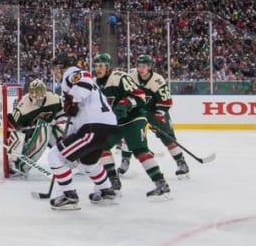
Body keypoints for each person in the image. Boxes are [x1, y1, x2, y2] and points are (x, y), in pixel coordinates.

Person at [92, 53, 171, 199]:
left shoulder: (119, 77)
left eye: (101, 65)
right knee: (101, 147)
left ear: (109, 67)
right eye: (96, 65)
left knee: (140, 151)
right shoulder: (94, 83)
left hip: (134, 118)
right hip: (115, 122)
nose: (98, 68)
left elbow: (139, 95)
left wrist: (125, 104)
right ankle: (113, 183)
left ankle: (161, 184)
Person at [47, 63, 118, 210]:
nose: (54, 73)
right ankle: (106, 190)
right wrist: (69, 135)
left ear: (62, 67)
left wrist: (72, 99)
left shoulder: (71, 72)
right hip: (104, 125)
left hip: (93, 125)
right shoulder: (74, 87)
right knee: (88, 163)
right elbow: (76, 117)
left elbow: (85, 77)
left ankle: (69, 196)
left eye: (55, 69)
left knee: (55, 156)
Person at [122, 54, 190, 178]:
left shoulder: (157, 81)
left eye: (144, 66)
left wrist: (158, 117)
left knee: (168, 139)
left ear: (150, 67)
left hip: (155, 111)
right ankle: (125, 161)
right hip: (138, 111)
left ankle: (181, 163)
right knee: (129, 135)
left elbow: (166, 102)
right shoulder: (131, 77)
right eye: (139, 66)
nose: (141, 68)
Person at [6, 78, 65, 178]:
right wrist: (18, 128)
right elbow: (12, 122)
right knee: (43, 132)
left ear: (44, 91)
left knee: (63, 139)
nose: (34, 95)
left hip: (49, 127)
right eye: (32, 92)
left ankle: (75, 162)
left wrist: (60, 119)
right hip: (31, 132)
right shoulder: (23, 106)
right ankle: (21, 166)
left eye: (37, 92)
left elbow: (62, 113)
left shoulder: (54, 99)